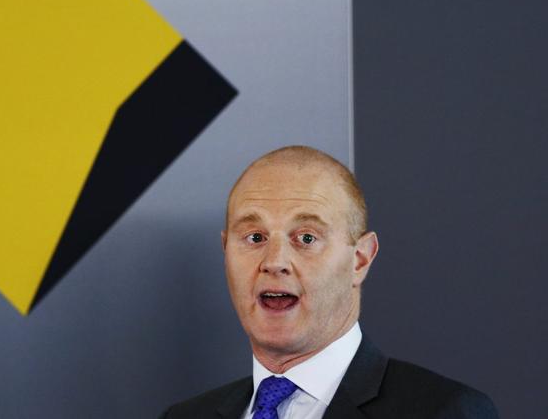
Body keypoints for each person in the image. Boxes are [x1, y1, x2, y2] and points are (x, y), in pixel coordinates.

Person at [160, 146, 498, 419]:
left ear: (360, 259)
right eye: (255, 236)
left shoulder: (446, 412)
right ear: (225, 250)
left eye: (306, 238)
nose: (274, 261)